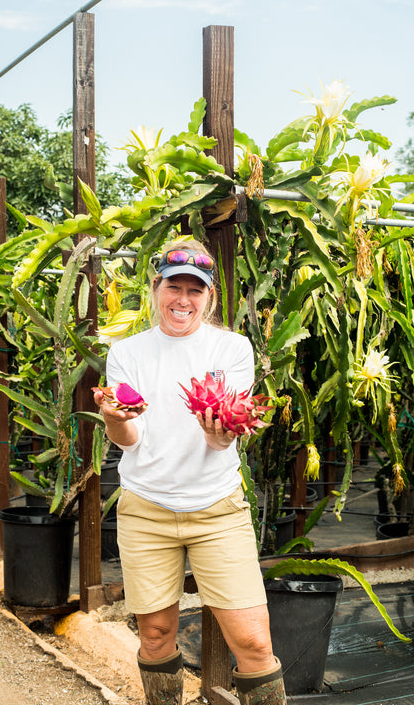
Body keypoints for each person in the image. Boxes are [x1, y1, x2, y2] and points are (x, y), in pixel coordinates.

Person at [94, 240, 287, 705]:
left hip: (217, 509)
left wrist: (220, 437)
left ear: (209, 297)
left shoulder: (232, 348)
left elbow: (226, 434)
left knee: (255, 643)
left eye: (194, 290)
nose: (183, 299)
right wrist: (116, 419)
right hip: (146, 510)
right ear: (155, 287)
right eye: (173, 286)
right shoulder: (127, 352)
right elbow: (130, 439)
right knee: (157, 634)